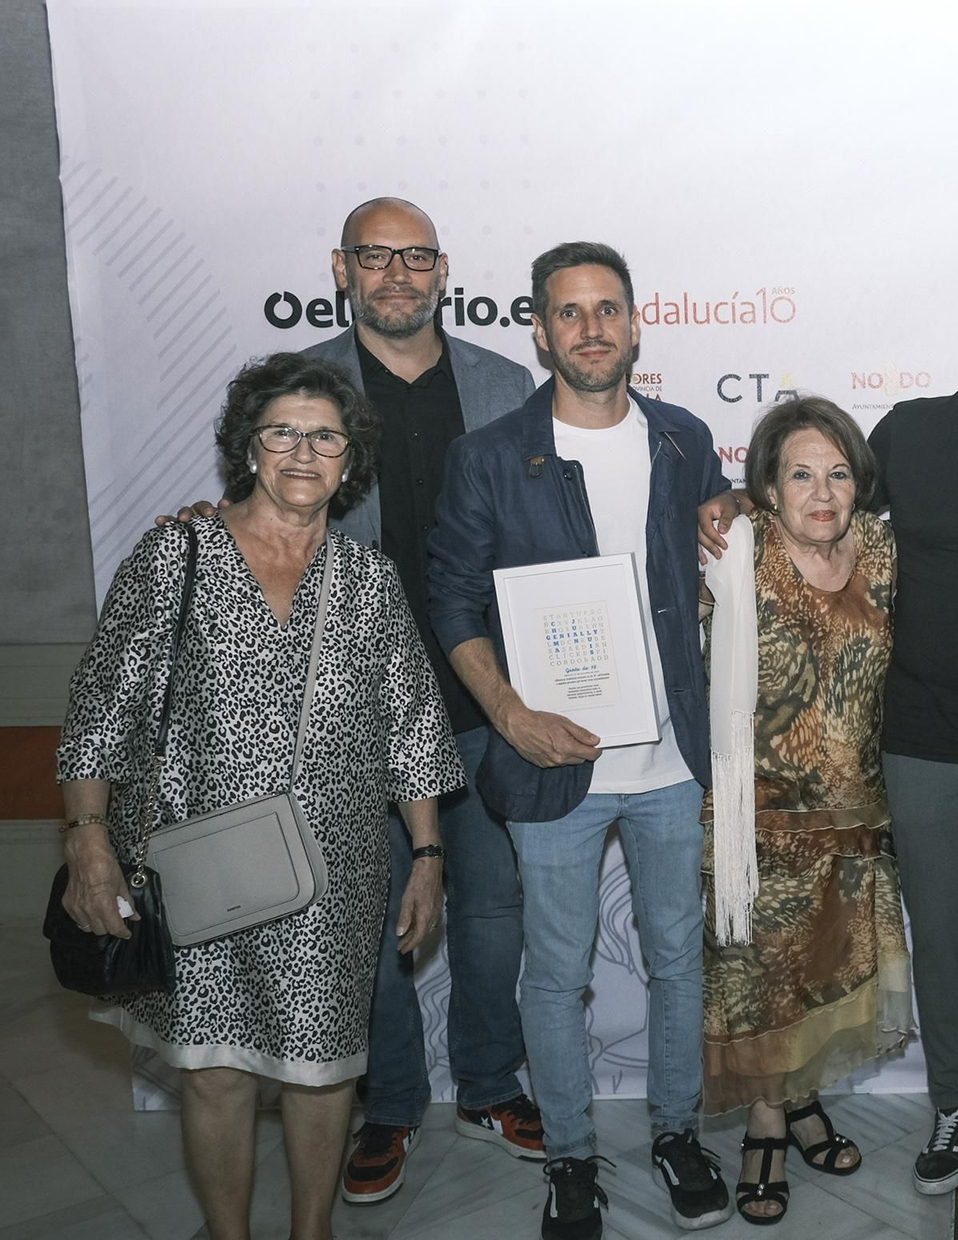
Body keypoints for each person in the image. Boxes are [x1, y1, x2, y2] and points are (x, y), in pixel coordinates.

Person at [701, 261, 958, 1195]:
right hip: (919, 743)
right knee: (941, 935)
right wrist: (731, 502)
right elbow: (820, 515)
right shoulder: (912, 433)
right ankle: (955, 1103)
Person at [57, 353, 463, 1240]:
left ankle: (309, 1233)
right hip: (195, 865)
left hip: (336, 871)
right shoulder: (178, 555)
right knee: (216, 1070)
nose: (306, 451)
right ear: (249, 447)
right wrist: (87, 838)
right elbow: (102, 708)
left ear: (351, 461)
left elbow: (413, 729)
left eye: (328, 436)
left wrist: (427, 856)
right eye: (284, 432)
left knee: (323, 1069)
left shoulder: (369, 580)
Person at [428, 242, 733, 1238]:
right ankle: (568, 1156)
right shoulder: (487, 454)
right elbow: (453, 596)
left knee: (676, 963)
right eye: (570, 312)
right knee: (555, 971)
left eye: (609, 308)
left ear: (638, 323)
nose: (592, 327)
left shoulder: (685, 439)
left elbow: (718, 568)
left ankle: (677, 1132)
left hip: (669, 760)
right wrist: (509, 714)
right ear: (540, 330)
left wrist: (727, 531)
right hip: (549, 759)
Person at [302, 196, 544, 1202]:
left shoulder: (502, 382)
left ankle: (489, 1082)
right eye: (376, 256)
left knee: (492, 908)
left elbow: (543, 523)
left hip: (488, 697)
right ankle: (391, 1101)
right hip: (354, 707)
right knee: (366, 922)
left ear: (442, 269)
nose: (396, 274)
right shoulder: (301, 386)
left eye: (415, 257)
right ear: (341, 267)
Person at [699, 397, 914, 1225]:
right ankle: (766, 1121)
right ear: (767, 485)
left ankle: (803, 1098)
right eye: (799, 474)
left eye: (836, 473)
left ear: (859, 483)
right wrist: (718, 508)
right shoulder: (731, 553)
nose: (820, 493)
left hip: (857, 817)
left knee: (826, 973)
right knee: (757, 984)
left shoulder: (886, 553)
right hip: (755, 824)